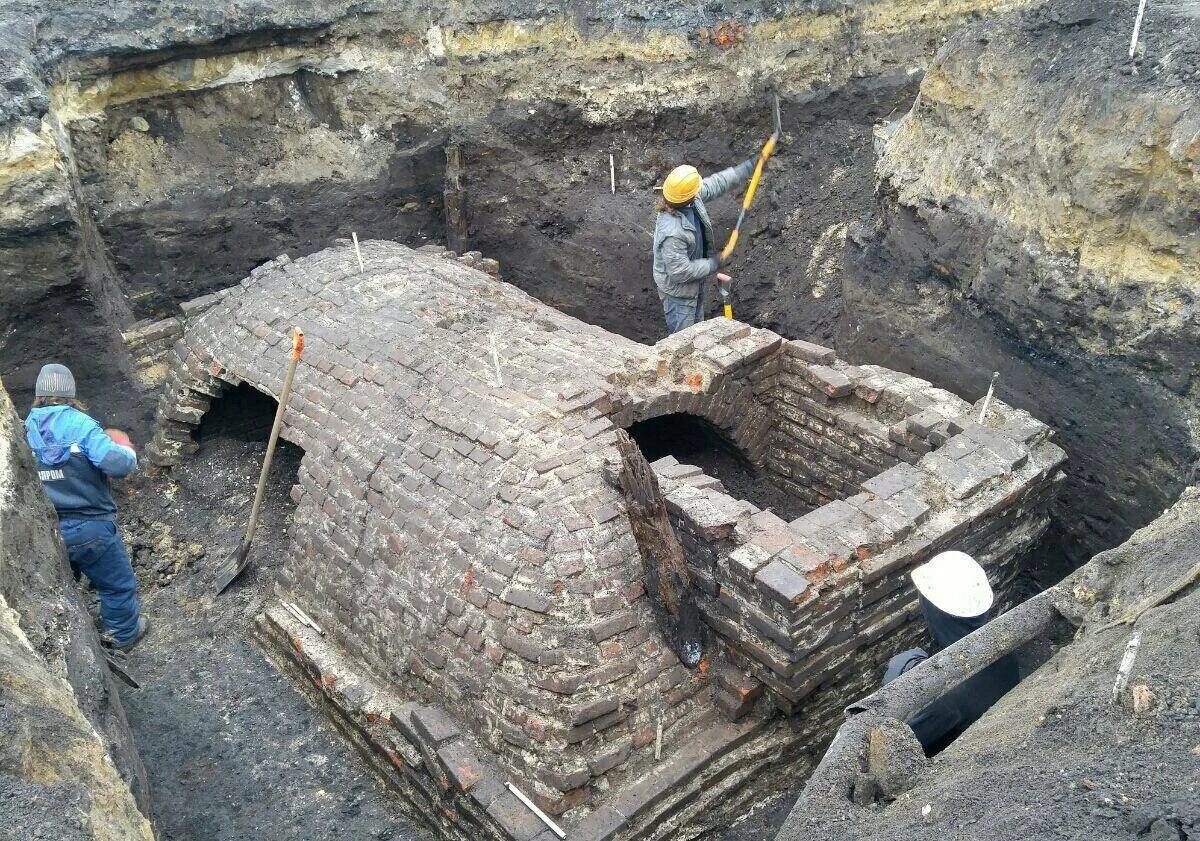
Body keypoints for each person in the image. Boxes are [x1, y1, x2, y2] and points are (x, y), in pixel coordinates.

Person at [24, 363, 148, 650]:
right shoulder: (81, 425)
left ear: (39, 394)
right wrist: (127, 451)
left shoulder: (23, 428)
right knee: (117, 584)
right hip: (92, 527)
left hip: (50, 529)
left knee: (67, 579)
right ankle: (123, 635)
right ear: (71, 394)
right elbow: (116, 465)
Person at [883, 550, 1019, 752]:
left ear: (937, 612)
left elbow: (895, 747)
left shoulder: (943, 696)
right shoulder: (1004, 645)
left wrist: (901, 677)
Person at [652, 158, 756, 334]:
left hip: (695, 282)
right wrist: (713, 264)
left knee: (698, 332)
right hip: (679, 295)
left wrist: (747, 168)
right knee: (683, 341)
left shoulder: (686, 197)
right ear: (687, 197)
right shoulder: (672, 232)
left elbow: (716, 184)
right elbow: (680, 272)